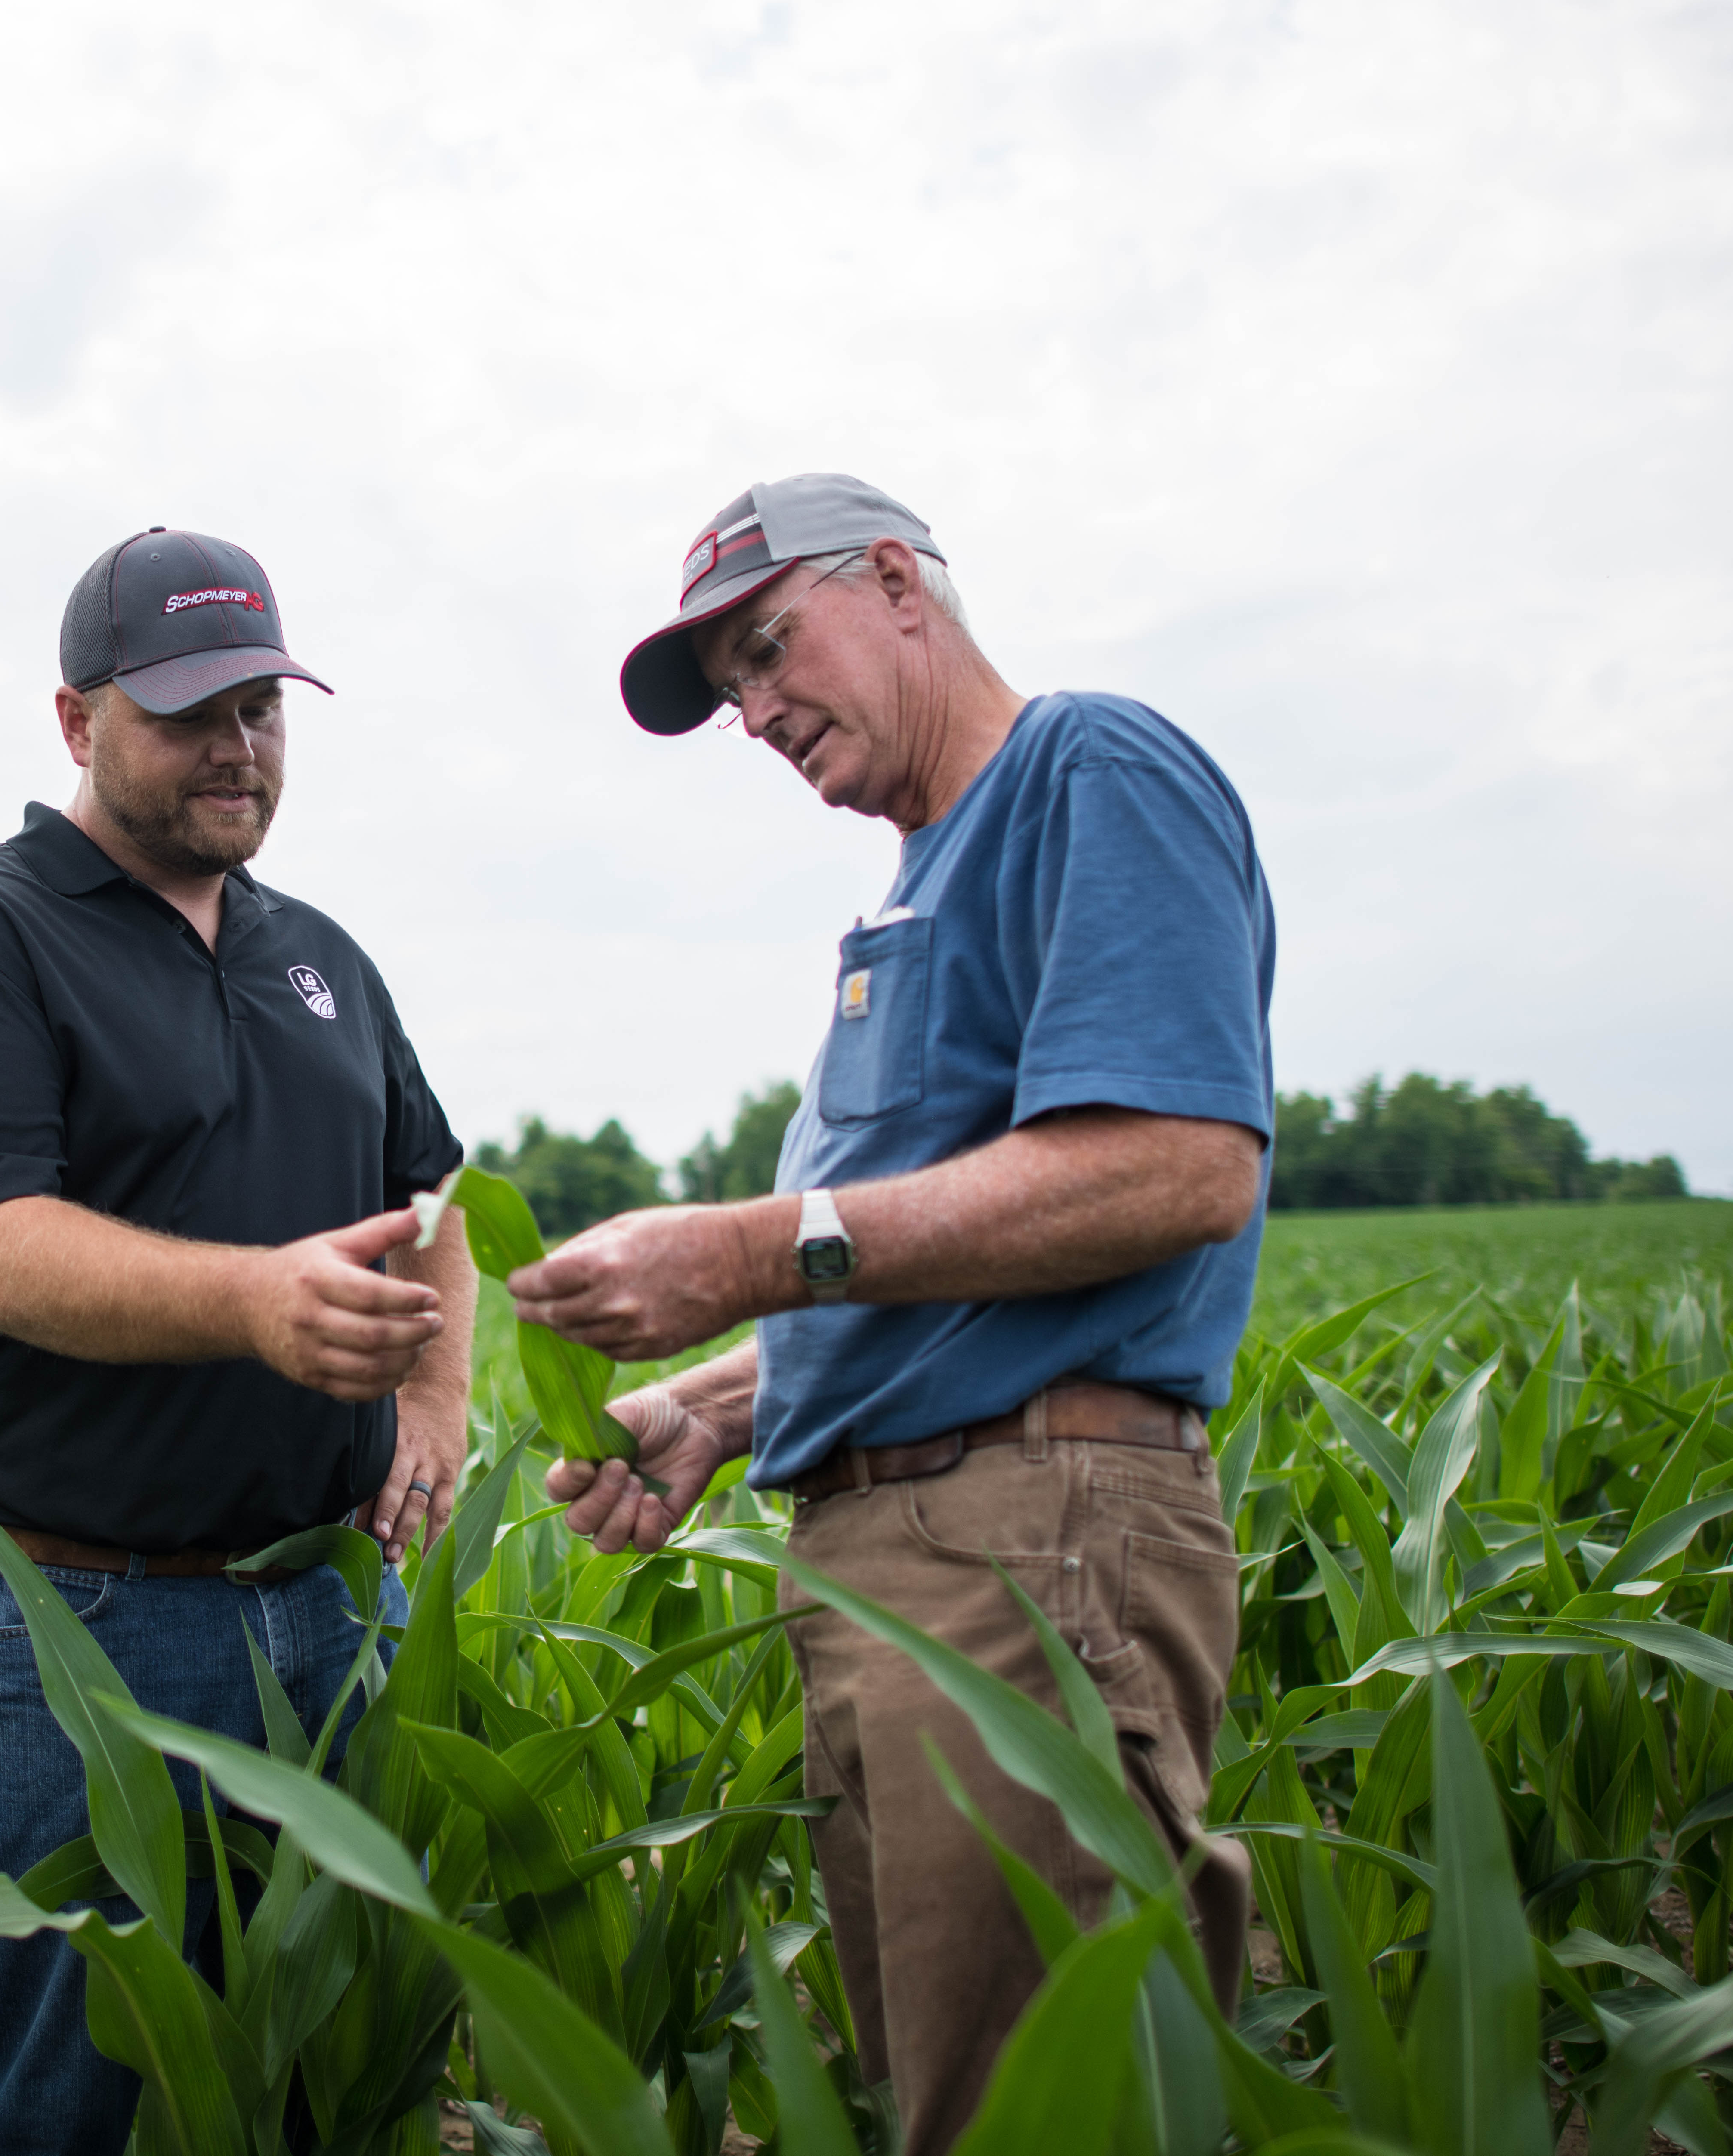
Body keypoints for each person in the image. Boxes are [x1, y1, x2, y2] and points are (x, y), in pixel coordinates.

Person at [511, 474, 1273, 2156]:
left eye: (770, 651)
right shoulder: (919, 880)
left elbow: (1173, 1164)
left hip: (1028, 1549)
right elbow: (938, 1270)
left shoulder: (1088, 769)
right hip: (899, 1556)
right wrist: (726, 1398)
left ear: (899, 583)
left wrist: (755, 1247)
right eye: (727, 694)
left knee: (1040, 2112)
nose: (758, 711)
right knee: (947, 2095)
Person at [0, 526, 471, 2156]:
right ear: (75, 720)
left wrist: (436, 1398)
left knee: (330, 2081)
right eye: (191, 708)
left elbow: (435, 1194)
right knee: (64, 2098)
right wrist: (256, 1298)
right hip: (78, 1637)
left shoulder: (320, 952)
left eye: (263, 703)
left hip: (330, 1611)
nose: (237, 743)